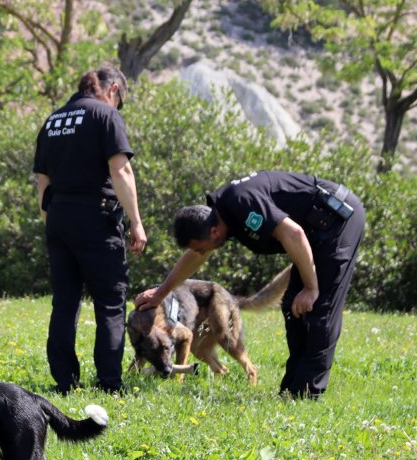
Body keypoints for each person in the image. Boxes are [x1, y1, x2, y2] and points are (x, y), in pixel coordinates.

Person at [134, 171, 366, 399]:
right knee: (293, 308)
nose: (201, 253)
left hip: (337, 219)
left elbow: (294, 234)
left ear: (214, 232)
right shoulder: (221, 215)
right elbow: (194, 258)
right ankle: (292, 391)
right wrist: (161, 293)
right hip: (316, 229)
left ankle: (308, 394)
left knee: (318, 310)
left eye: (201, 248)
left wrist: (311, 289)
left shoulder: (241, 204)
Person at [32, 65, 148, 394]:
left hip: (58, 216)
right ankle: (109, 382)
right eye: (119, 101)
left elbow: (42, 181)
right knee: (110, 302)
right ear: (113, 90)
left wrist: (51, 223)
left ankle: (64, 381)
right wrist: (136, 222)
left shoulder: (53, 120)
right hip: (96, 216)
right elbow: (120, 170)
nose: (118, 107)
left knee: (65, 302)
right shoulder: (106, 116)